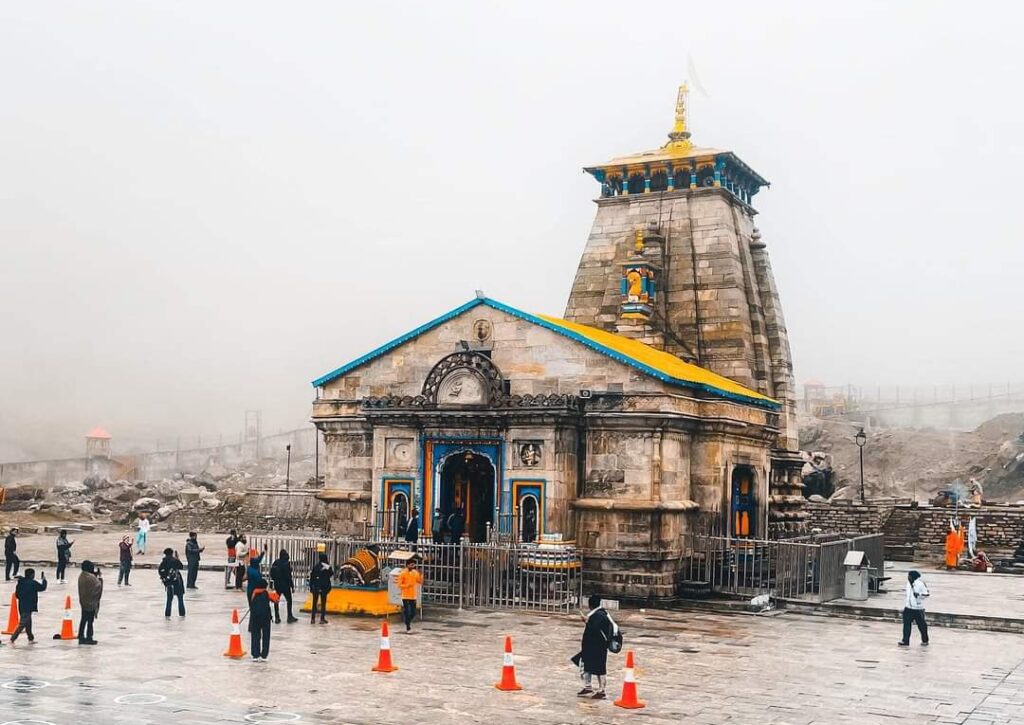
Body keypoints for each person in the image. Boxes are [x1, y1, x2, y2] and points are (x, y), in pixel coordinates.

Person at [574, 594, 616, 699]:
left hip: (597, 646)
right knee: (586, 665)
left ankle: (601, 690)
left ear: (590, 604)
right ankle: (588, 687)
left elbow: (595, 629)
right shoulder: (601, 613)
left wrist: (586, 620)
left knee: (599, 668)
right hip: (592, 646)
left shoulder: (599, 615)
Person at [11, 568, 47, 644]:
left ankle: (30, 638)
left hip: (21, 605)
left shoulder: (20, 582)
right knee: (23, 624)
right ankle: (13, 638)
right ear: (32, 575)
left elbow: (17, 595)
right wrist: (44, 580)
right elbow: (42, 588)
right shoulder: (33, 583)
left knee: (28, 623)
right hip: (29, 606)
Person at [248, 575, 278, 662]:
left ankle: (255, 654)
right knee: (266, 636)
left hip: (255, 617)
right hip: (265, 617)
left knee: (255, 635)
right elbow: (276, 599)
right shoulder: (267, 593)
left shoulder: (253, 593)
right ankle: (264, 655)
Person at [898, 570, 930, 647]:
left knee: (921, 625)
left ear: (913, 577)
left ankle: (925, 640)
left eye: (909, 576)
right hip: (908, 607)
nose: (908, 577)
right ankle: (905, 641)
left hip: (918, 609)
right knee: (906, 625)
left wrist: (919, 595)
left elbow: (927, 594)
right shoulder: (908, 584)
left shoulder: (921, 584)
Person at [77, 560, 103, 645]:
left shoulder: (82, 576)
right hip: (90, 603)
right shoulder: (90, 578)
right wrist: (100, 580)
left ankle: (81, 636)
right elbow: (97, 586)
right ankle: (89, 637)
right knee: (90, 621)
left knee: (83, 619)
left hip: (83, 601)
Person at [270, 549, 298, 624]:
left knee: (276, 600)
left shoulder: (275, 562)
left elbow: (271, 573)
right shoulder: (286, 563)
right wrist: (292, 586)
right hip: (285, 585)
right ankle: (289, 616)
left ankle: (277, 617)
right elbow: (288, 576)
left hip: (277, 585)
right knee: (289, 601)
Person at [396, 557, 423, 633]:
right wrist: (407, 585)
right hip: (405, 595)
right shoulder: (403, 573)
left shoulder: (415, 573)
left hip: (413, 595)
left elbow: (419, 581)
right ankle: (408, 626)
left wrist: (421, 575)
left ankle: (407, 621)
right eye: (411, 565)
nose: (413, 566)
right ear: (407, 565)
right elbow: (399, 584)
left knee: (413, 612)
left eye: (413, 565)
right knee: (407, 611)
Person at [158, 548, 186, 617]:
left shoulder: (163, 562)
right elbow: (181, 566)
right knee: (180, 599)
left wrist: (165, 579)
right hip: (177, 582)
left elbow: (160, 571)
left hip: (169, 583)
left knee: (169, 600)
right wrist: (178, 558)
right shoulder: (175, 560)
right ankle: (182, 614)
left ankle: (167, 614)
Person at [308, 552, 333, 624]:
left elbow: (312, 577)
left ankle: (313, 619)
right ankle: (322, 618)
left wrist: (311, 586)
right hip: (324, 587)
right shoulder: (327, 567)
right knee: (323, 603)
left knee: (314, 603)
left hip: (316, 587)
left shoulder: (316, 566)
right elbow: (331, 574)